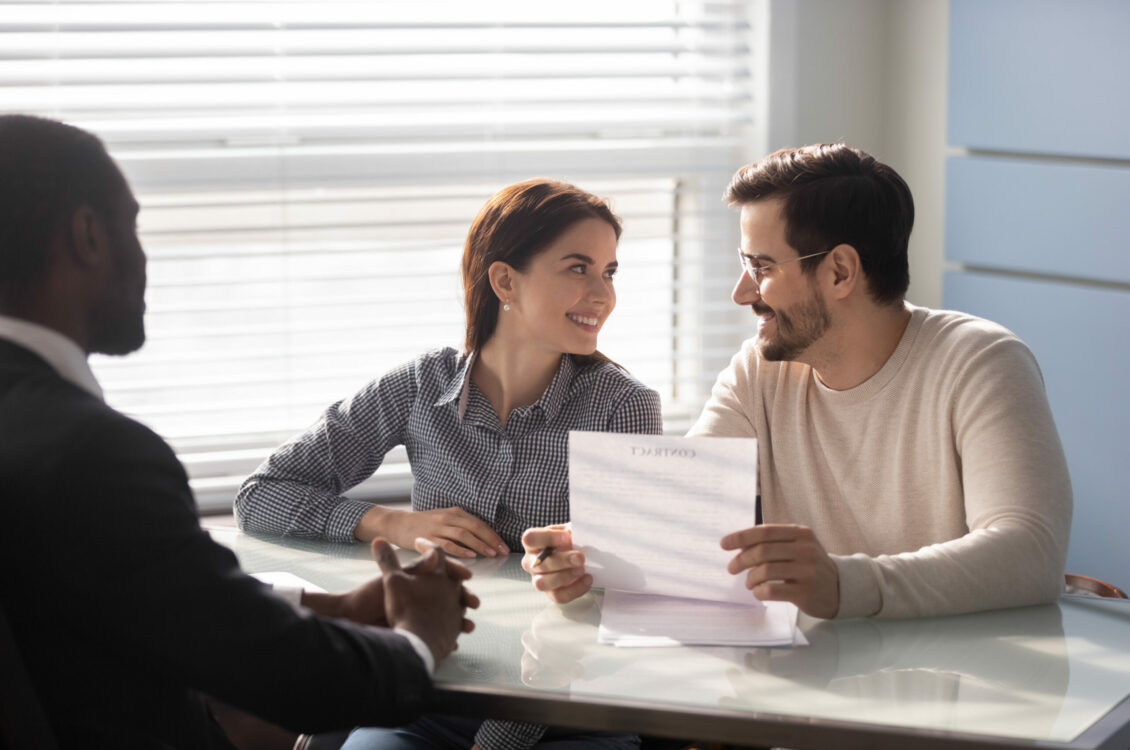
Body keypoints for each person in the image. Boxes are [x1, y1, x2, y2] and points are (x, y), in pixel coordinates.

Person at [0, 113, 477, 749]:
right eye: (132, 225)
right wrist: (419, 637)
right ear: (88, 235)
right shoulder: (94, 453)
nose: (143, 255)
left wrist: (327, 608)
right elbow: (293, 680)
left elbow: (133, 597)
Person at [522, 143, 1072, 620]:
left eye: (761, 267)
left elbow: (1029, 552)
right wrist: (583, 550)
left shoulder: (980, 362)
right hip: (822, 684)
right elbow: (679, 513)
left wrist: (843, 584)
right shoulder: (760, 371)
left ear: (839, 272)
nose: (741, 293)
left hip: (961, 700)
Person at [235, 179, 662, 749]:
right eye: (578, 269)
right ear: (505, 280)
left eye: (609, 272)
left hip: (571, 714)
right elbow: (261, 495)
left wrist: (496, 745)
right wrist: (391, 523)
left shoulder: (623, 406)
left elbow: (618, 598)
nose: (603, 295)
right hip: (428, 699)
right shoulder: (419, 385)